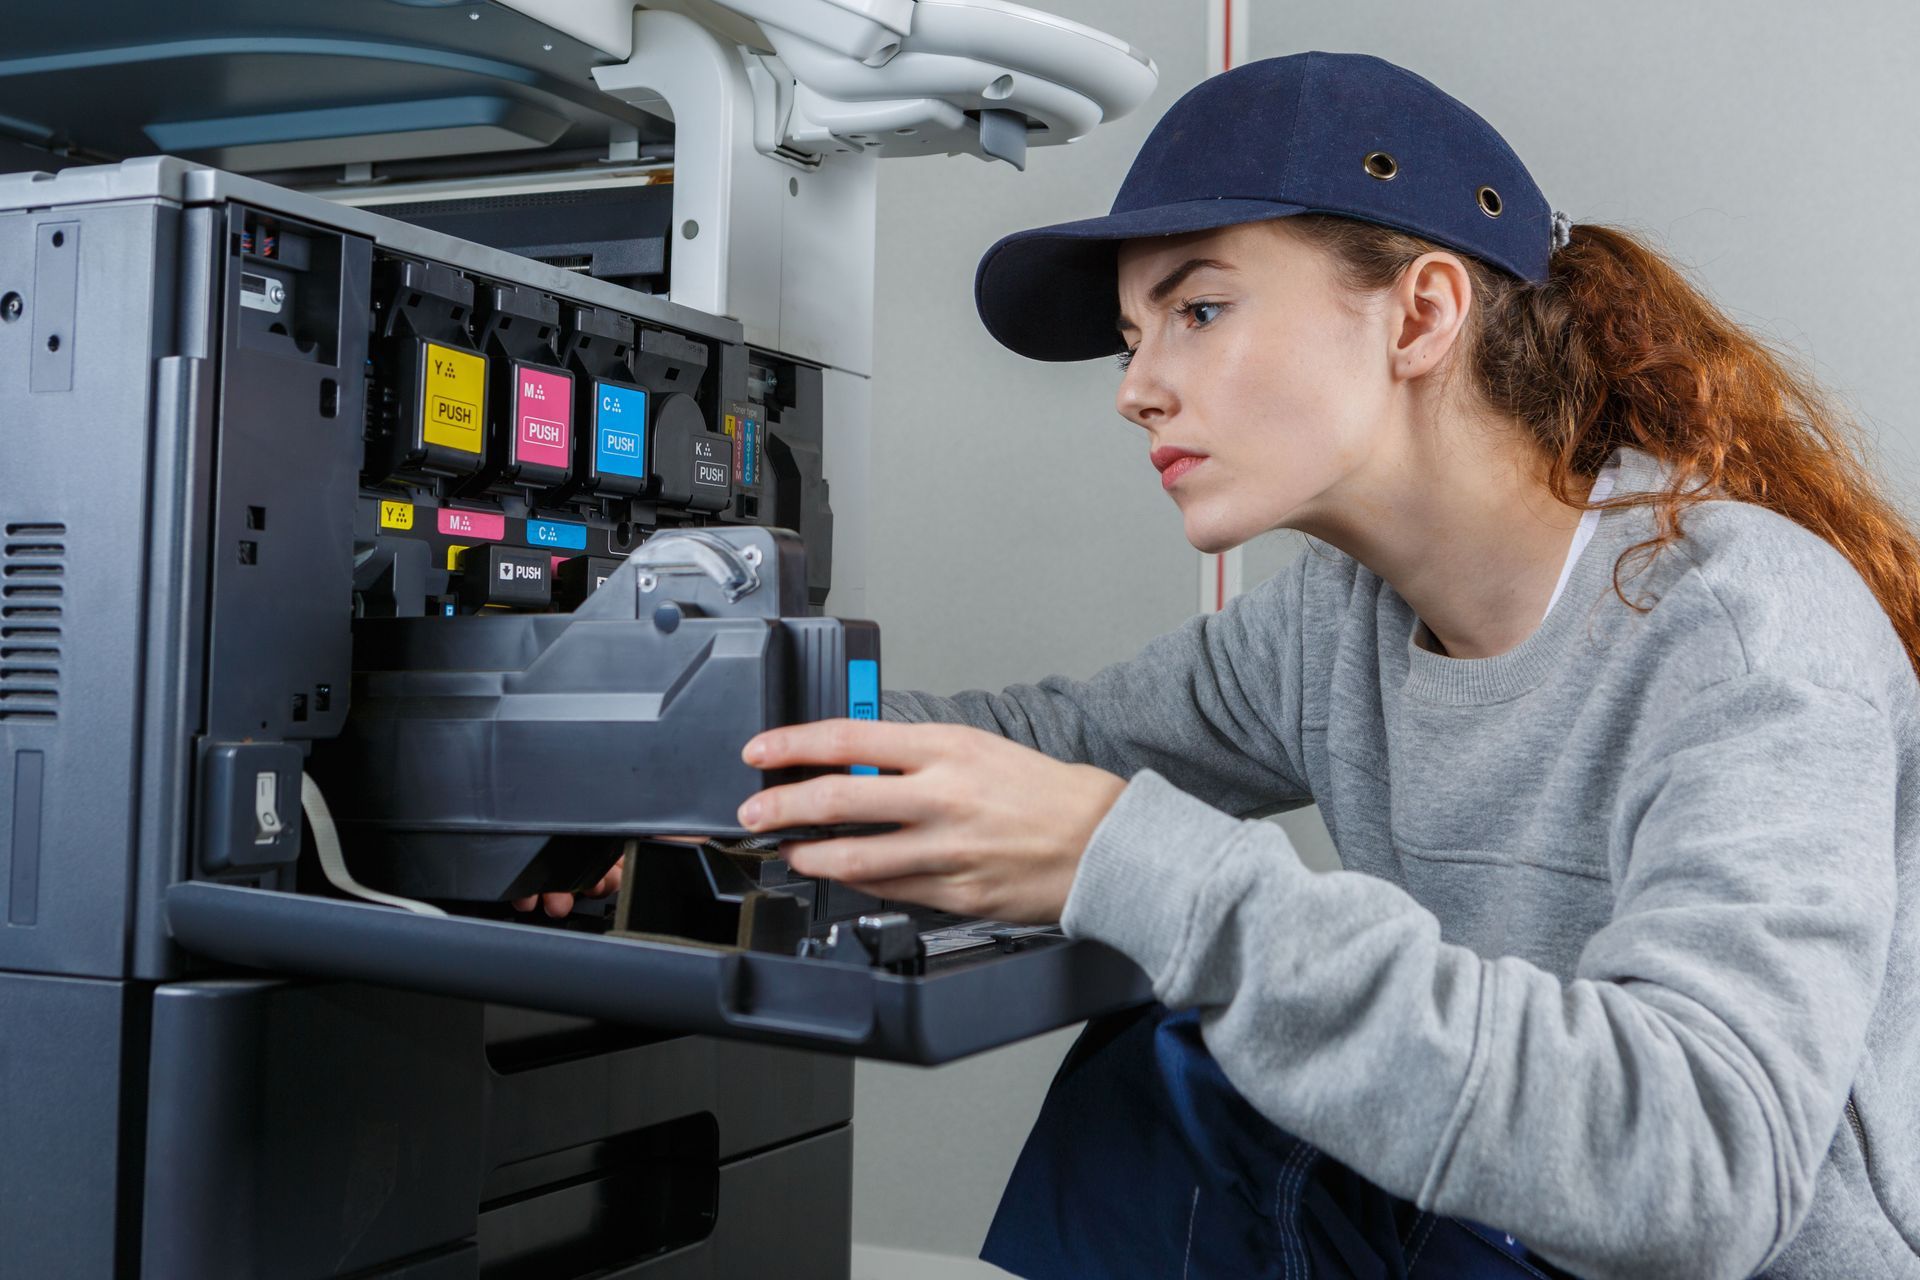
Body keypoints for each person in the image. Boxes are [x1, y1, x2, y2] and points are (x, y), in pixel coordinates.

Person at [741, 50, 1917, 1277]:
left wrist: (1155, 872)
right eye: (1131, 337)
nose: (1136, 389)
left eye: (1197, 311)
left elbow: (1708, 1168)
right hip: (1509, 1244)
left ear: (1421, 313)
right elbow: (1045, 749)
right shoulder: (1337, 622)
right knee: (1175, 1072)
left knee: (1196, 1041)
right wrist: (666, 766)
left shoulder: (1744, 629)